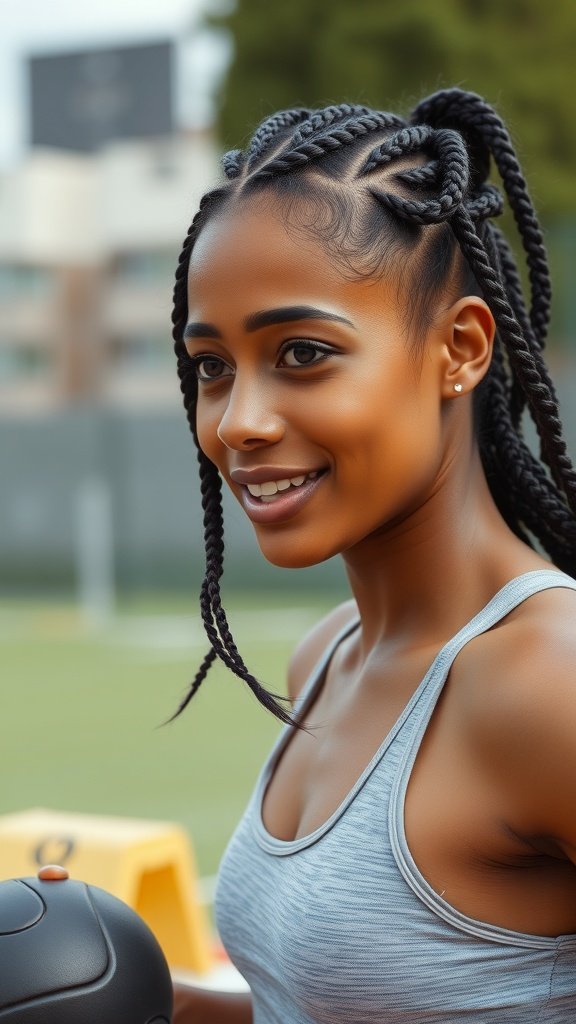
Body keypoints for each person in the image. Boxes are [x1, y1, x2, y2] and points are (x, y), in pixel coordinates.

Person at [171, 90, 576, 1022]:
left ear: (460, 350)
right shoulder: (328, 655)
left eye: (303, 352)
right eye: (212, 366)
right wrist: (133, 993)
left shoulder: (548, 684)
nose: (240, 422)